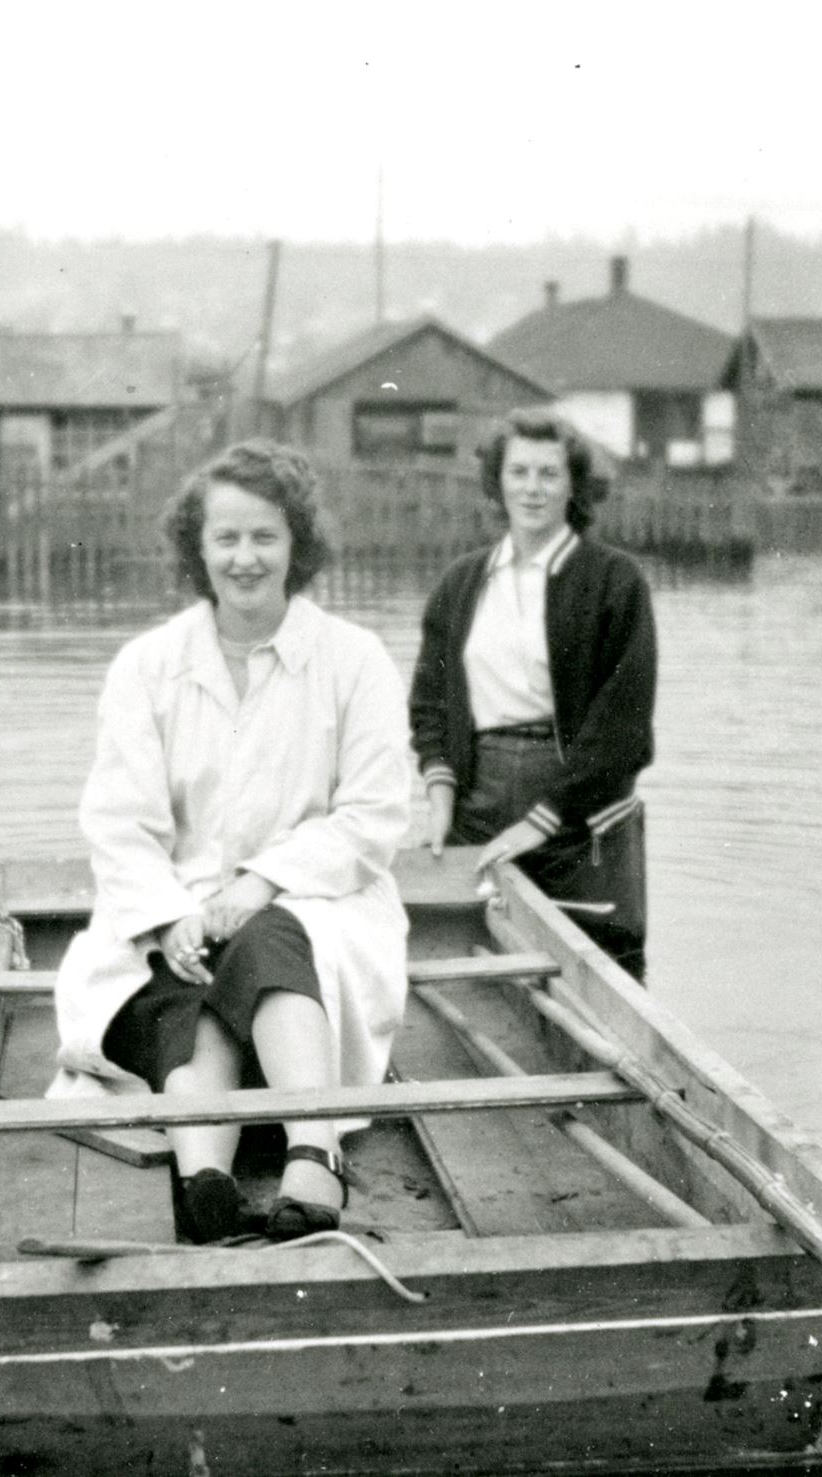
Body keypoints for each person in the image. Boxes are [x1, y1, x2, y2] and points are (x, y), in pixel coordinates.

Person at [47, 440, 413, 1245]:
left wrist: (262, 881)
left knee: (270, 940)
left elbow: (376, 813)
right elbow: (120, 821)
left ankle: (312, 1153)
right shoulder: (147, 666)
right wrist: (168, 913)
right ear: (198, 548)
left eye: (265, 536)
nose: (245, 558)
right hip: (173, 912)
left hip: (318, 903)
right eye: (227, 538)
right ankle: (205, 1178)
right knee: (184, 988)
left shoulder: (354, 661)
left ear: (297, 544)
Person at [410, 409, 657, 977]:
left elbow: (622, 726)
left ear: (574, 486)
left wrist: (542, 821)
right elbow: (430, 703)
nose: (532, 488)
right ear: (497, 482)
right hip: (477, 802)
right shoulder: (461, 583)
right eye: (518, 472)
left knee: (598, 970)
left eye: (549, 474)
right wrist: (440, 793)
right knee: (474, 957)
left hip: (580, 815)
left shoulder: (615, 581)